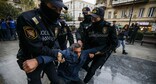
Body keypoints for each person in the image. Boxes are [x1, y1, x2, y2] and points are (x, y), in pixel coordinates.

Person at [16, 0, 67, 84]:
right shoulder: (27, 18)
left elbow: (56, 44)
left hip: (47, 58)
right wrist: (56, 53)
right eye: (54, 8)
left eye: (60, 10)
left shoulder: (57, 23)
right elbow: (35, 48)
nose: (57, 12)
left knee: (56, 81)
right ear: (44, 3)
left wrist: (57, 53)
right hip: (30, 59)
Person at [82, 7, 118, 83]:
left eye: (95, 17)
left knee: (92, 70)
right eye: (92, 16)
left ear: (101, 17)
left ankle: (85, 81)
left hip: (102, 52)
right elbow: (86, 41)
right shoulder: (89, 27)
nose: (93, 18)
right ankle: (89, 72)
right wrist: (89, 50)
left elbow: (114, 43)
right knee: (83, 64)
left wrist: (102, 52)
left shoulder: (109, 27)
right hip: (91, 51)